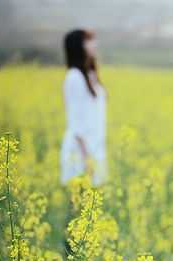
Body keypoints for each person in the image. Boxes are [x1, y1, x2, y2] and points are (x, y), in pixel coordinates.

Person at [61, 29, 107, 187]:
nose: (94, 44)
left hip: (94, 148)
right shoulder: (74, 77)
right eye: (88, 41)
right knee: (79, 205)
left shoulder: (90, 74)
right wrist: (86, 158)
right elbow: (75, 121)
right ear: (77, 47)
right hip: (81, 151)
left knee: (91, 205)